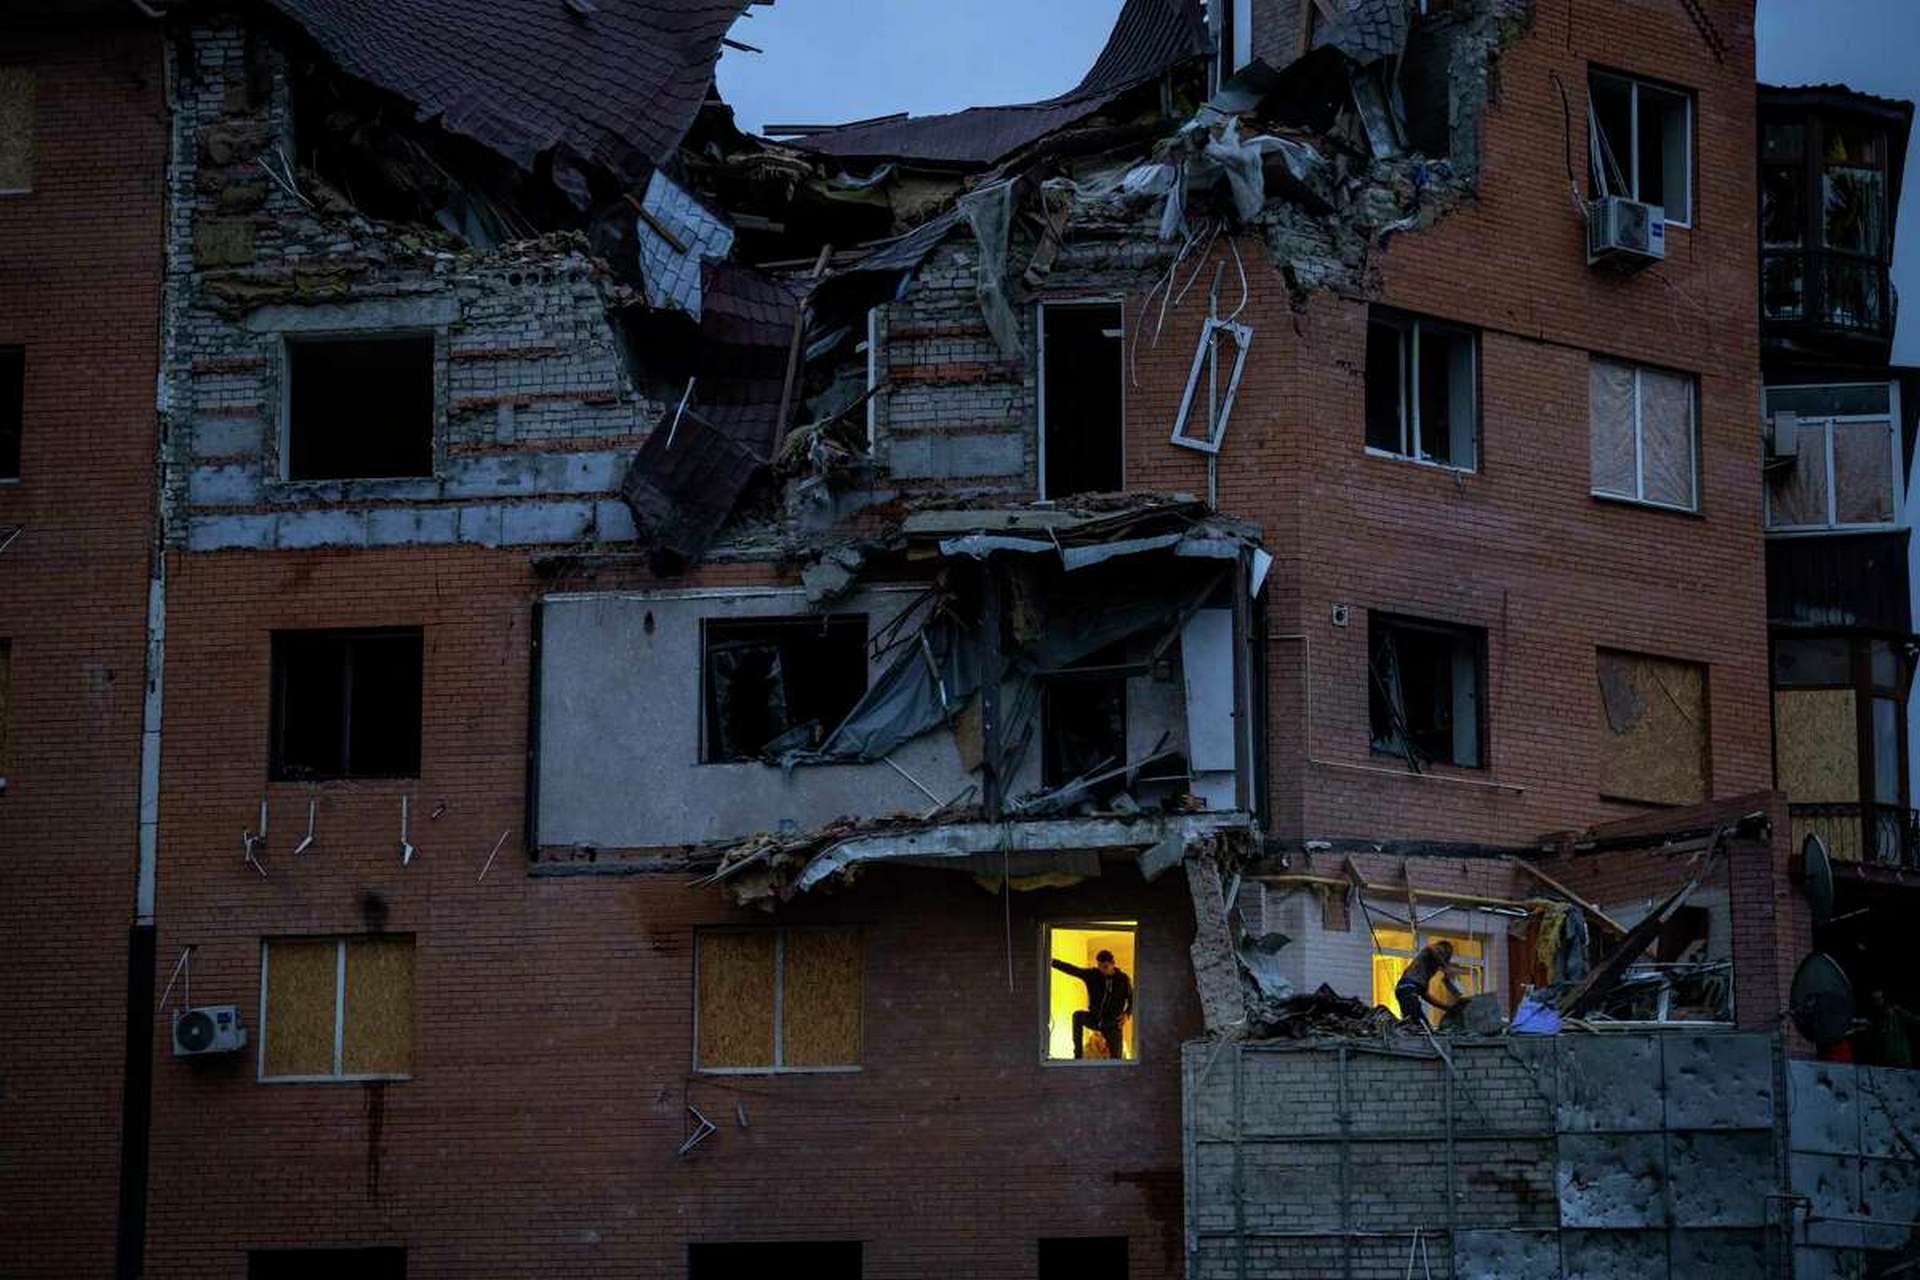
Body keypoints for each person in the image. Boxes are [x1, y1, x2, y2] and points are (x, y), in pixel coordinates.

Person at [1052, 949, 1132, 1059]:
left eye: (1105, 967)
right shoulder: (1093, 975)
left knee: (1117, 1059)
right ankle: (1078, 1056)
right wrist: (1052, 962)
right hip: (1095, 1018)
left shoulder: (1123, 979)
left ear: (1113, 964)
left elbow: (1132, 999)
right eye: (1099, 966)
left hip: (1112, 1023)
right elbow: (1073, 970)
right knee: (1077, 1016)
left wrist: (1127, 1014)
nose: (1102, 970)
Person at [1395, 939, 1463, 1026]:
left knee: (1421, 1024)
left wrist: (1445, 1007)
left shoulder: (1425, 974)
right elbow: (1430, 948)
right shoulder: (1429, 952)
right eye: (1444, 954)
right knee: (1418, 1022)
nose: (1445, 958)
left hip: (1406, 990)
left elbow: (1426, 996)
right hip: (1407, 989)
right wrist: (1445, 967)